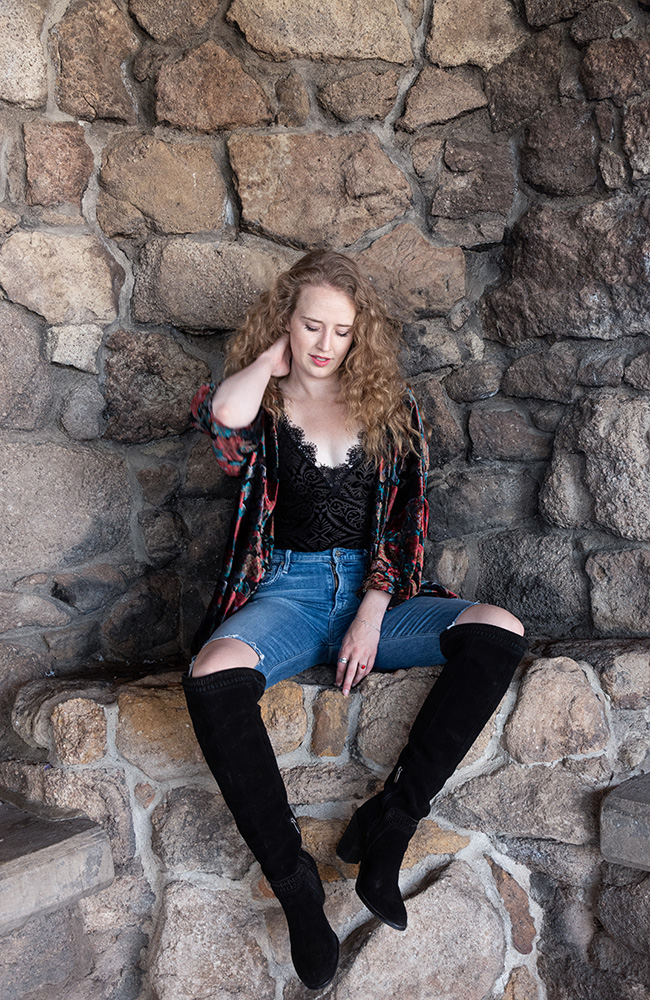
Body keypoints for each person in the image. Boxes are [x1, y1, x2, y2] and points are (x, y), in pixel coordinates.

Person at [182, 250, 526, 990]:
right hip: (290, 591)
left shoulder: (390, 408)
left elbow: (407, 526)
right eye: (311, 326)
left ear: (357, 335)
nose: (325, 344)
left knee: (500, 629)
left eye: (341, 330)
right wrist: (274, 358)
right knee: (211, 674)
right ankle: (296, 883)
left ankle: (391, 823)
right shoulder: (264, 406)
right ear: (287, 322)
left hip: (377, 595)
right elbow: (222, 424)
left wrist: (373, 611)